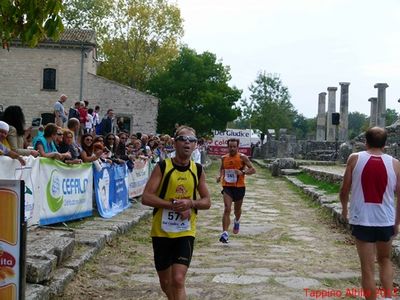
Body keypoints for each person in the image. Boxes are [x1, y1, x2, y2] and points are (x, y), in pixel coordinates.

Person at [142, 125, 211, 300]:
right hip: (162, 232)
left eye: (192, 140)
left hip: (185, 231)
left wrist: (191, 203)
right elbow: (146, 197)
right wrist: (172, 206)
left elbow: (207, 201)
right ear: (175, 143)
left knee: (178, 280)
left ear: (196, 145)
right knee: (166, 283)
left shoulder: (198, 170)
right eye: (183, 139)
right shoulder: (163, 167)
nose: (187, 143)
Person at [340, 127, 400, 300]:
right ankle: (388, 297)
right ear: (385, 144)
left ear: (365, 142)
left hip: (362, 219)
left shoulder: (354, 158)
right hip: (385, 221)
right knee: (385, 260)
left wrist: (345, 209)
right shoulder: (395, 164)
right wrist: (396, 222)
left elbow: (344, 189)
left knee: (367, 267)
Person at [217, 138, 256, 243]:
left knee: (237, 210)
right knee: (227, 208)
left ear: (238, 147)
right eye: (230, 146)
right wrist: (219, 176)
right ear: (227, 147)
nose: (232, 148)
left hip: (239, 187)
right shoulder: (223, 158)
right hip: (227, 186)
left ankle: (237, 220)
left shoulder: (243, 157)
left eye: (234, 146)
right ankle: (225, 233)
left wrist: (242, 172)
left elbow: (253, 170)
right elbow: (222, 168)